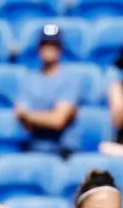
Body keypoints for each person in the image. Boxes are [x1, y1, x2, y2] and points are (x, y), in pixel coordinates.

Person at [16, 23, 80, 155]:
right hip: (34, 150)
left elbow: (58, 120)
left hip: (62, 153)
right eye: (45, 45)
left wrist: (29, 116)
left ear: (60, 49)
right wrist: (41, 117)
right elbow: (21, 117)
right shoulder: (30, 79)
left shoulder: (70, 78)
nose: (49, 49)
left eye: (53, 45)